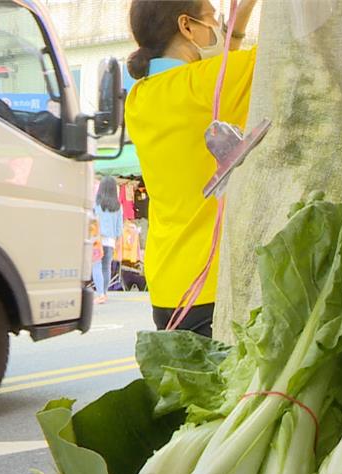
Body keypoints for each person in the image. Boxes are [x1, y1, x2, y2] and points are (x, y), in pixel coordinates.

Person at [125, 0, 259, 337]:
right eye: (212, 16)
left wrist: (239, 19)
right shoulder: (203, 83)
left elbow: (216, 83)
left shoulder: (138, 98)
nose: (216, 25)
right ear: (186, 26)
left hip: (167, 284)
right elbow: (287, 53)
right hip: (211, 283)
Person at [92, 176, 123, 304]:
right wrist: (117, 239)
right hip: (110, 240)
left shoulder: (96, 204)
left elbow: (92, 221)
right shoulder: (117, 206)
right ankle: (104, 293)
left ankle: (100, 294)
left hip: (97, 239)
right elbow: (119, 226)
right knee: (106, 267)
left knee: (96, 265)